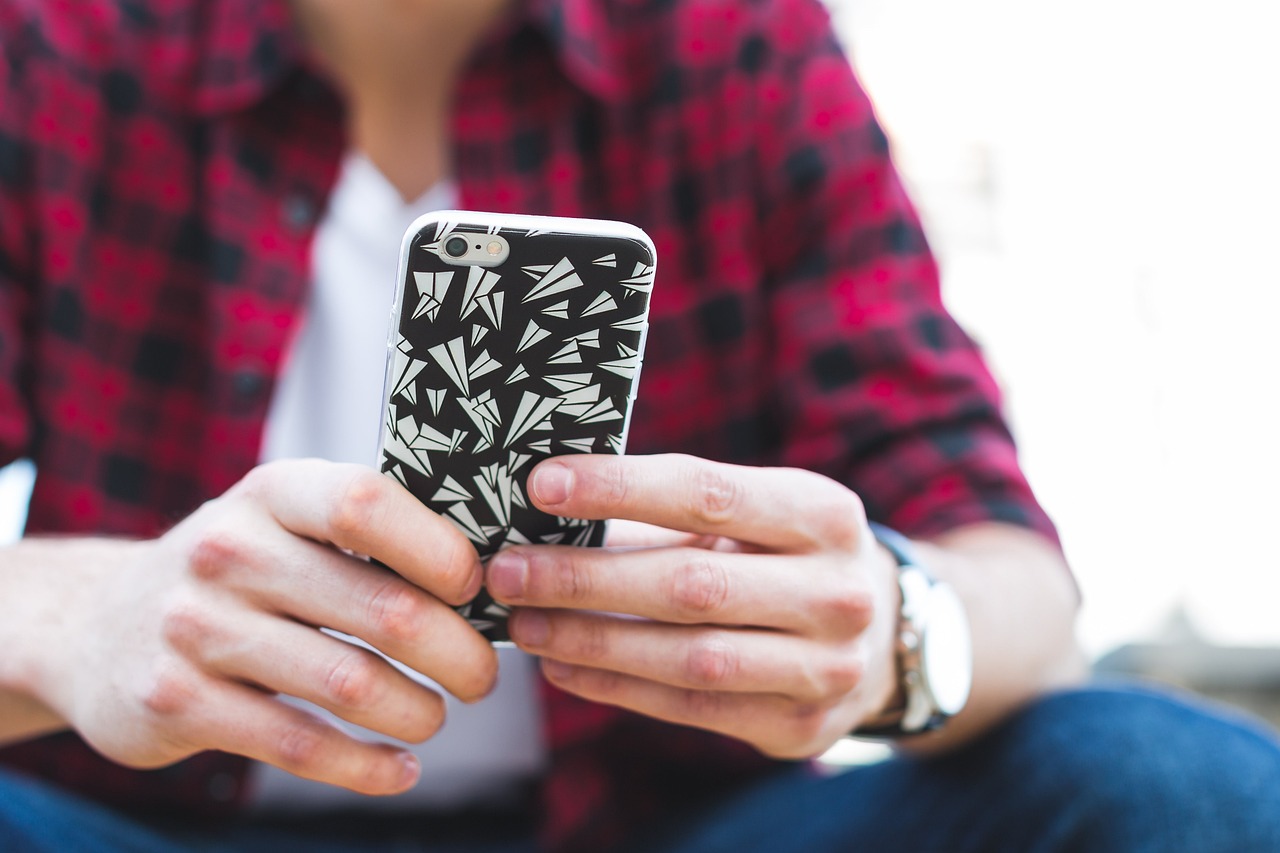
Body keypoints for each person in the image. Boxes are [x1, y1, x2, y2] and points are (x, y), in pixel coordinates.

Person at [1, 0, 1277, 851]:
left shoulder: (735, 42)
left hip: (657, 828)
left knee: (1167, 781)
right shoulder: (50, 44)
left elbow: (1015, 575)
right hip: (140, 826)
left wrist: (893, 632)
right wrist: (79, 619)